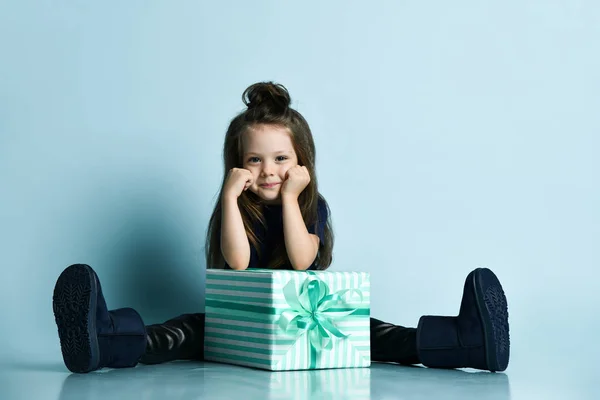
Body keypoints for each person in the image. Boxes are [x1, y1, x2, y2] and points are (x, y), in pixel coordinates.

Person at [52, 82, 510, 374]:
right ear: (238, 166)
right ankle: (105, 341)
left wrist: (291, 199)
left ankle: (466, 344)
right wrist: (230, 197)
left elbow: (302, 260)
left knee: (376, 335)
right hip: (243, 323)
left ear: (302, 162)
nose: (269, 171)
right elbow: (237, 261)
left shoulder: (311, 205)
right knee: (183, 331)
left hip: (306, 322)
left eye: (281, 159)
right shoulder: (237, 206)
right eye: (255, 160)